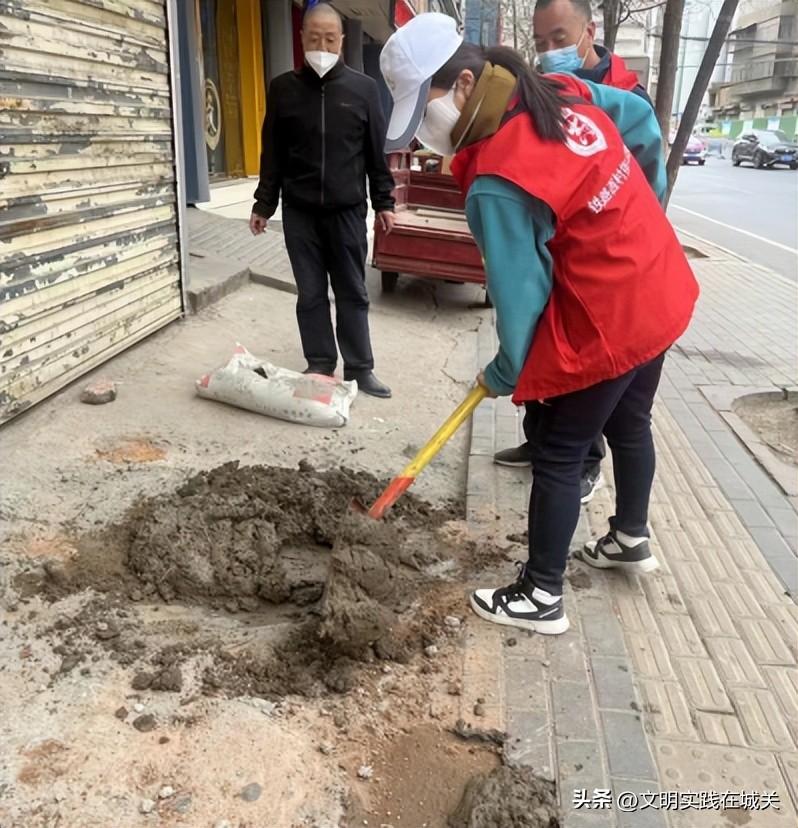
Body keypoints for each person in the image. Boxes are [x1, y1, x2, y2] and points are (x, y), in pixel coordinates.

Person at [381, 14, 698, 634]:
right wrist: (641, 213)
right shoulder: (556, 92)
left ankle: (540, 594)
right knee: (630, 420)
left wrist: (506, 368)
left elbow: (519, 295)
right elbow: (639, 122)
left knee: (558, 449)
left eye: (425, 113)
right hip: (659, 283)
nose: (422, 135)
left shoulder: (498, 180)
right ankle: (630, 536)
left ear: (466, 84)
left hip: (611, 311)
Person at [493, 0, 654, 491]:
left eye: (559, 39)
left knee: (598, 397)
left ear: (591, 30)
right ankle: (542, 440)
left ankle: (582, 463)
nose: (550, 53)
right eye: (540, 44)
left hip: (609, 268)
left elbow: (649, 174)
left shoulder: (624, 93)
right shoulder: (548, 92)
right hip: (563, 253)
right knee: (548, 363)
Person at [250, 3, 395, 398]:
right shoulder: (283, 88)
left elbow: (374, 153)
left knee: (352, 291)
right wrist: (264, 203)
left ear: (342, 41)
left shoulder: (363, 90)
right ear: (301, 38)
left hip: (347, 211)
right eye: (314, 37)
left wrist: (384, 202)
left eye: (330, 38)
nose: (322, 44)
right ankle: (319, 362)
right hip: (300, 213)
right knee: (310, 292)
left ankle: (360, 368)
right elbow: (272, 152)